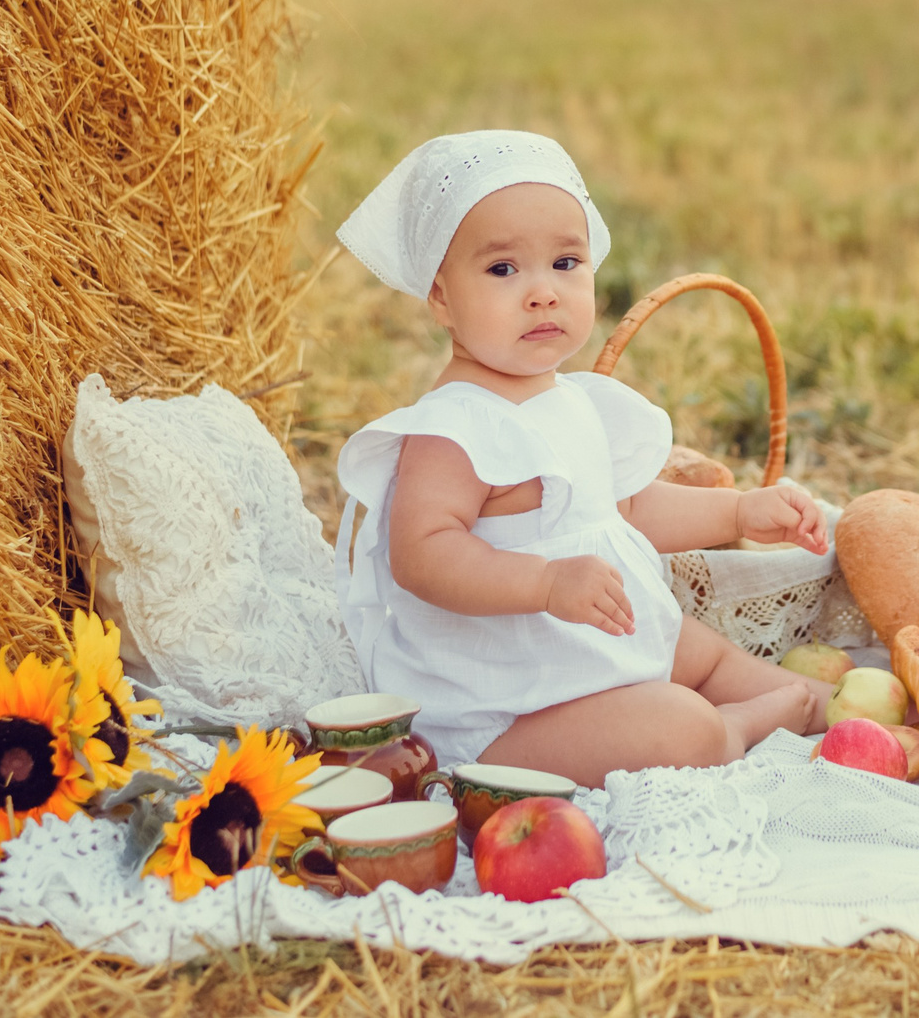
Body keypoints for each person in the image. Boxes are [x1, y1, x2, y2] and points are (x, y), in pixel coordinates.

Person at [333, 130, 831, 788]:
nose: (543, 292)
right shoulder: (454, 425)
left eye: (565, 263)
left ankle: (828, 705)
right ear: (441, 297)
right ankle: (744, 727)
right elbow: (422, 555)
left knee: (695, 647)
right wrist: (543, 583)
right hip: (504, 707)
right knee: (683, 727)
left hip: (579, 648)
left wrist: (740, 509)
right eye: (504, 269)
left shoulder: (570, 400)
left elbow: (624, 508)